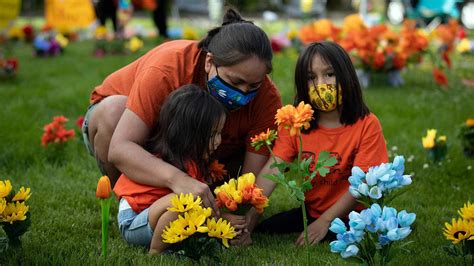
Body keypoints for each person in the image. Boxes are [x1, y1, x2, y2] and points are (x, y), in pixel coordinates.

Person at [81, 8, 282, 215]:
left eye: (253, 86)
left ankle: (184, 202)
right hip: (134, 132)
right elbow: (120, 148)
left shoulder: (267, 98)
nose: (242, 94)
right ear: (209, 62)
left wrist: (243, 217)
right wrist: (177, 179)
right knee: (112, 111)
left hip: (199, 155)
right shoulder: (169, 67)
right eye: (235, 81)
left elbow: (252, 179)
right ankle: (131, 206)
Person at [243, 41, 389, 245]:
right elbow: (273, 170)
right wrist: (248, 219)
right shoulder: (295, 124)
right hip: (312, 211)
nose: (321, 84)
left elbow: (362, 185)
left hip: (356, 215)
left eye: (329, 74)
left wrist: (325, 222)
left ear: (347, 77)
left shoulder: (367, 125)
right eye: (311, 78)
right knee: (265, 229)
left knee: (336, 236)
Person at [114, 85, 239, 253]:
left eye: (219, 133)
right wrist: (219, 218)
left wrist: (223, 220)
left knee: (188, 204)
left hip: (150, 219)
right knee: (184, 201)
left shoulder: (190, 162)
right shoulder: (169, 163)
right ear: (188, 135)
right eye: (211, 135)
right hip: (133, 222)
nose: (218, 141)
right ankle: (157, 252)